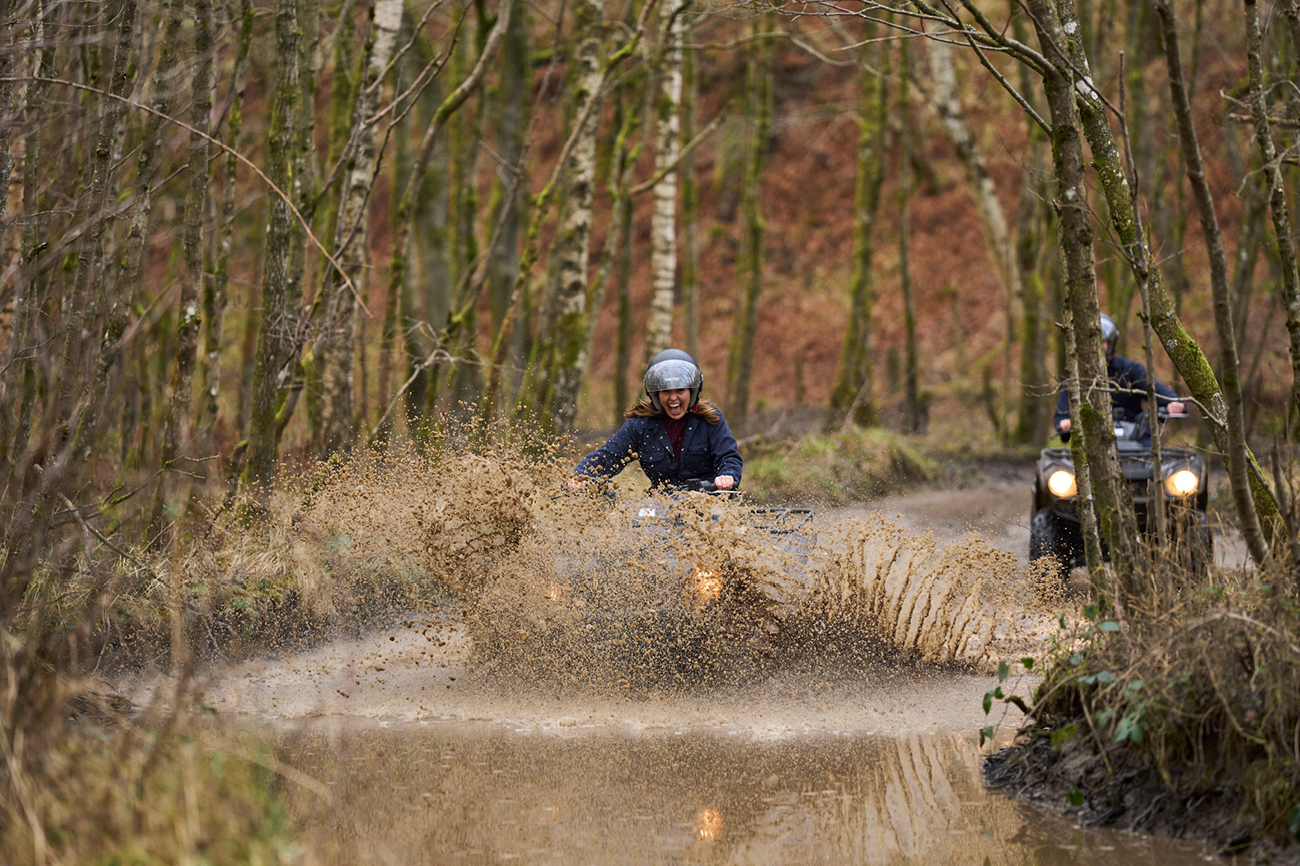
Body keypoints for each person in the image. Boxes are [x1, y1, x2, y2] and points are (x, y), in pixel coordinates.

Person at [572, 349, 743, 492]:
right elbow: (608, 456)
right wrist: (581, 476)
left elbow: (729, 457)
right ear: (655, 395)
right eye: (666, 392)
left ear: (692, 391)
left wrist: (727, 475)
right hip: (659, 508)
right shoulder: (640, 426)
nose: (673, 398)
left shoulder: (710, 419)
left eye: (680, 390)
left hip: (708, 505)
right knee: (633, 521)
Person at [1054, 314, 1184, 438]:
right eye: (1093, 342)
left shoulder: (1131, 370)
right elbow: (1061, 416)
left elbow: (1158, 391)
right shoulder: (1077, 378)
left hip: (1135, 440)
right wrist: (1065, 423)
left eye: (1102, 341)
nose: (1098, 346)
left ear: (1111, 343)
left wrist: (1173, 402)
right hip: (1091, 443)